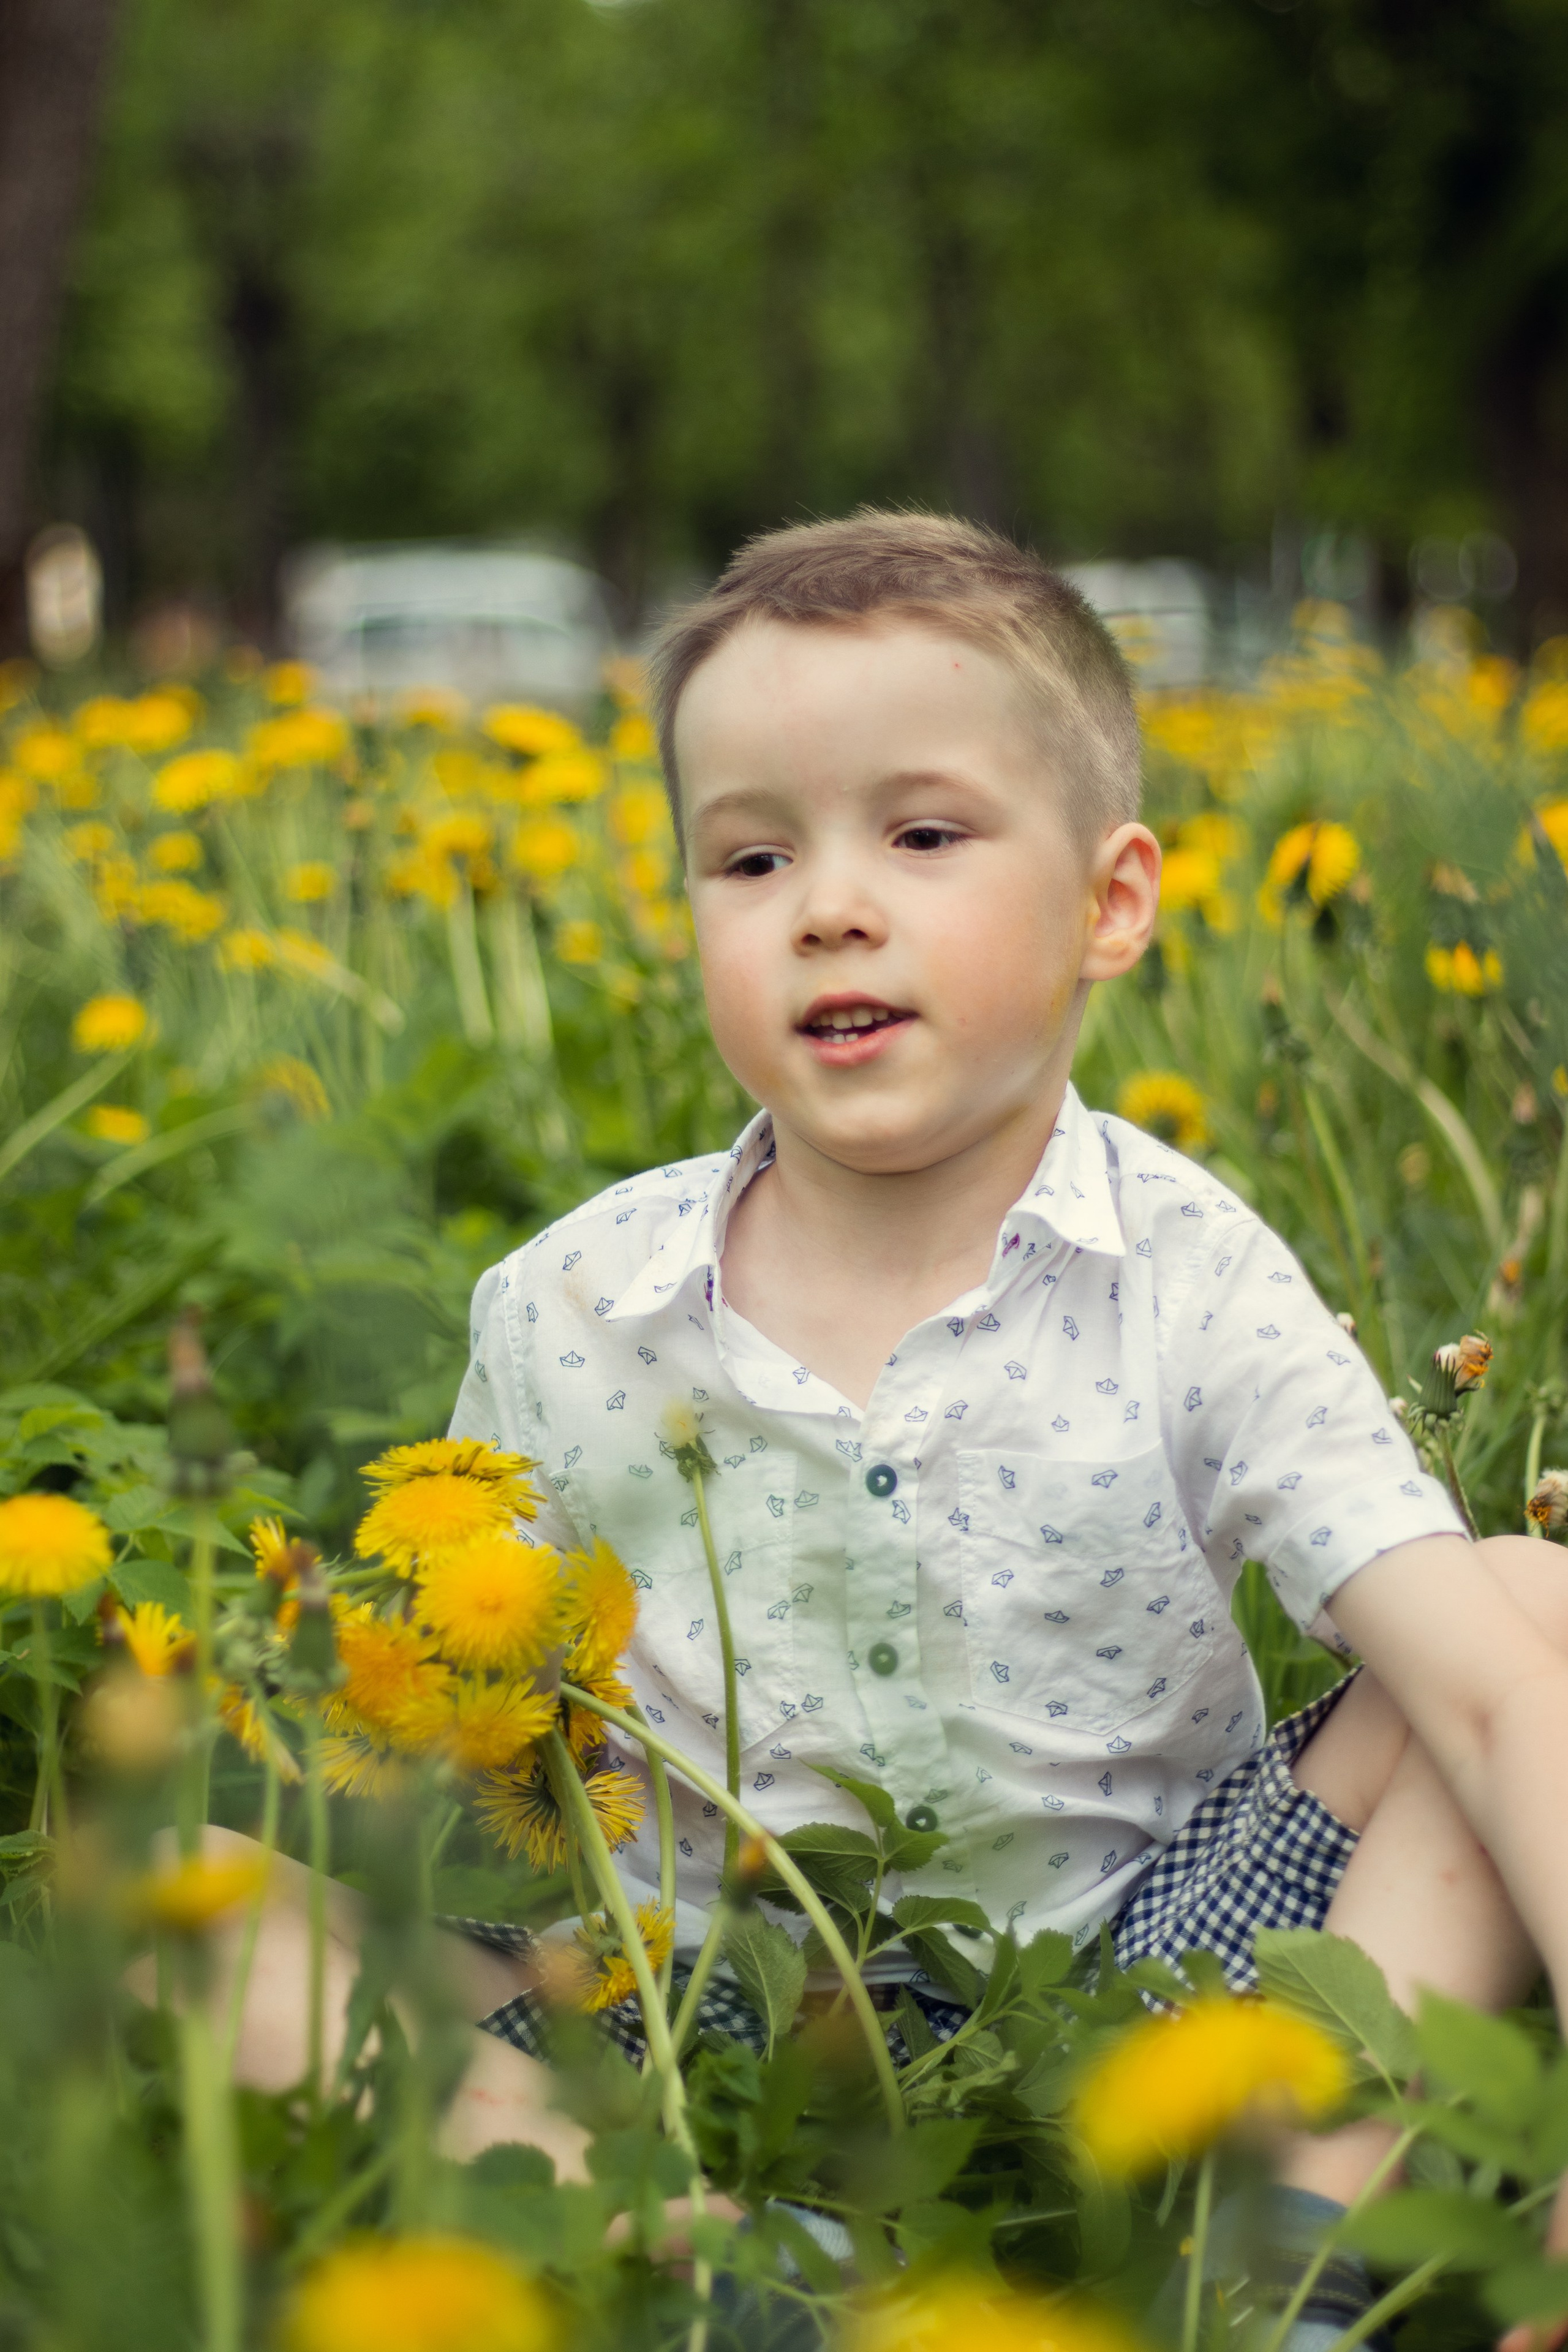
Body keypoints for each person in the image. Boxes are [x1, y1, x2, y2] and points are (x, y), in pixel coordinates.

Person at [200, 513, 1568, 2348]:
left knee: (1527, 1608)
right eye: (752, 855)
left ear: (1112, 903)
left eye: (922, 836)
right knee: (193, 1896)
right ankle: (720, 2268)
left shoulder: (1188, 1275)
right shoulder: (569, 1303)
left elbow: (1483, 1693)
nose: (829, 902)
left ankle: (1266, 2276)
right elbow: (483, 1755)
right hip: (680, 2026)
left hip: (1138, 2006)